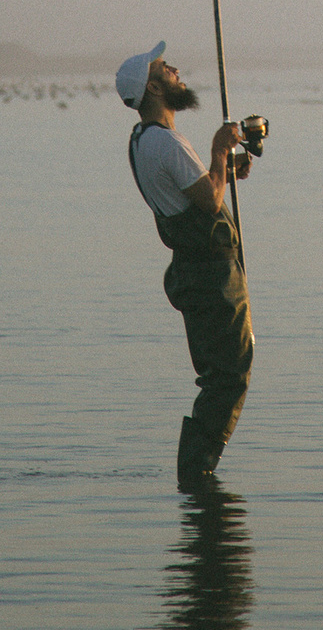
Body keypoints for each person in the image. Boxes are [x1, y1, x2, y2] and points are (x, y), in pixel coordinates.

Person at [118, 41, 255, 484]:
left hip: (194, 272)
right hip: (210, 276)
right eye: (166, 69)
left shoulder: (143, 141)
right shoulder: (166, 142)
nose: (176, 71)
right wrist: (219, 149)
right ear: (154, 88)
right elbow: (211, 201)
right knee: (229, 373)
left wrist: (226, 169)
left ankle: (195, 471)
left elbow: (193, 190)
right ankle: (196, 471)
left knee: (218, 372)